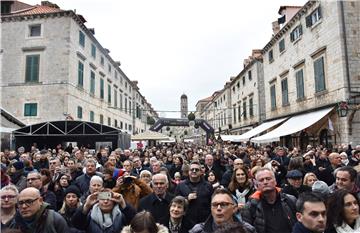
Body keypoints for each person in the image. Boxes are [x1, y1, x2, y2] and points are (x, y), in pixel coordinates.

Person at [242, 167, 297, 233]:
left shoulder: (290, 200)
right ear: (257, 184)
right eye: (261, 180)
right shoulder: (250, 207)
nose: (265, 182)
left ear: (275, 181)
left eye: (268, 179)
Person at [189, 188, 255, 233]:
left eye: (224, 204)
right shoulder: (198, 231)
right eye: (214, 205)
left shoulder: (247, 230)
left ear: (234, 208)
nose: (218, 208)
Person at [71, 189, 136, 233]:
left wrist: (123, 203)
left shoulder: (121, 215)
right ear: (97, 201)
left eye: (108, 199)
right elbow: (76, 224)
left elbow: (134, 221)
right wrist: (86, 205)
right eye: (102, 199)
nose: (105, 201)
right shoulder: (89, 214)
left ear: (114, 201)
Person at [175, 161, 213, 225]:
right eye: (192, 169)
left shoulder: (208, 186)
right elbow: (175, 201)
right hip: (186, 221)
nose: (194, 171)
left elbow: (212, 202)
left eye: (197, 170)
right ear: (188, 172)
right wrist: (186, 199)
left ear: (201, 172)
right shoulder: (181, 185)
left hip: (204, 221)